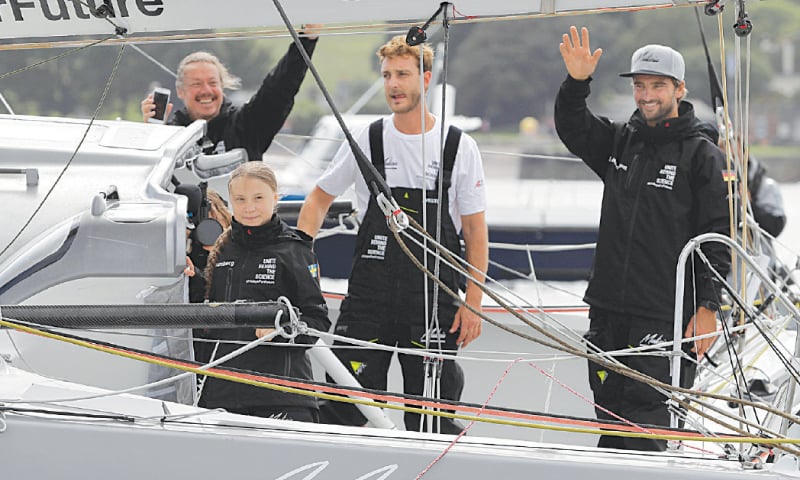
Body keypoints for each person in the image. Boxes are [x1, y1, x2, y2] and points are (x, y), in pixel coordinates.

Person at [297, 35, 488, 433]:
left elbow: (473, 228)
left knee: (431, 419)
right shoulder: (368, 138)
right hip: (370, 298)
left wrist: (473, 300)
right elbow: (317, 199)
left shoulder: (458, 146)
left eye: (402, 74)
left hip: (433, 301)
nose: (393, 85)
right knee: (345, 408)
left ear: (426, 79)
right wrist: (300, 259)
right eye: (386, 75)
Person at [555, 26, 732, 451]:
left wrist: (708, 307)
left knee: (650, 430)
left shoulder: (702, 154)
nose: (646, 95)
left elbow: (716, 239)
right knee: (611, 424)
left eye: (657, 85)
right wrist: (577, 82)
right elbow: (572, 127)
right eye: (639, 86)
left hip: (663, 318)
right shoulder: (620, 142)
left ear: (679, 88)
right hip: (608, 312)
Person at [199, 162, 331, 422]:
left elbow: (317, 320)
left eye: (258, 198)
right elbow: (202, 318)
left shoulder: (295, 251)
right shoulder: (221, 252)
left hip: (281, 395)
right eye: (240, 199)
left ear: (275, 197)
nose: (249, 207)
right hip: (221, 395)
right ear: (231, 202)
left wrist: (280, 331)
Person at [141, 25, 320, 162]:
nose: (206, 90)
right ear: (180, 91)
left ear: (222, 86)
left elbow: (280, 87)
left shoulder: (248, 124)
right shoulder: (170, 136)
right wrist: (154, 134)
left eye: (213, 83)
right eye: (196, 84)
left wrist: (307, 39)